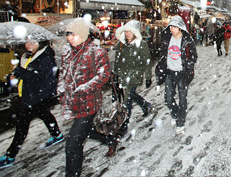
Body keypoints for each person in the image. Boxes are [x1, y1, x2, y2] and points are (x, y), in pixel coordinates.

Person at [58, 18, 118, 177]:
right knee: (87, 131)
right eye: (68, 34)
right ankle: (110, 140)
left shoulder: (97, 52)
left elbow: (104, 74)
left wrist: (86, 87)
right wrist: (62, 90)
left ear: (83, 34)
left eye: (73, 34)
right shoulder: (67, 52)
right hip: (73, 103)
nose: (70, 37)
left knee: (73, 144)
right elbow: (63, 74)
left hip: (89, 103)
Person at [0, 40, 63, 169]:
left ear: (40, 42)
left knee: (22, 126)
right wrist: (15, 75)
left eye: (32, 42)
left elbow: (38, 76)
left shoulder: (45, 56)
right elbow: (27, 73)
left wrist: (19, 71)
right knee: (44, 113)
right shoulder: (28, 55)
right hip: (30, 93)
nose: (28, 45)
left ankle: (10, 155)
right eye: (26, 42)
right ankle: (57, 134)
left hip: (36, 94)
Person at [160, 15, 198, 135]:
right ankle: (175, 114)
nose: (172, 29)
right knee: (168, 97)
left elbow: (194, 55)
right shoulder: (167, 39)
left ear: (180, 28)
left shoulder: (187, 40)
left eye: (175, 27)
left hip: (182, 73)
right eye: (171, 26)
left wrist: (188, 67)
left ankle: (180, 123)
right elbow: (162, 53)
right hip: (170, 72)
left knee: (182, 99)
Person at [114, 20, 152, 123]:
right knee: (130, 94)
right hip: (124, 75)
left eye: (130, 32)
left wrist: (148, 77)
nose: (127, 34)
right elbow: (117, 61)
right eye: (126, 32)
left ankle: (124, 123)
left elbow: (147, 61)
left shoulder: (141, 45)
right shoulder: (121, 45)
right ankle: (145, 104)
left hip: (135, 75)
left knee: (127, 99)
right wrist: (115, 74)